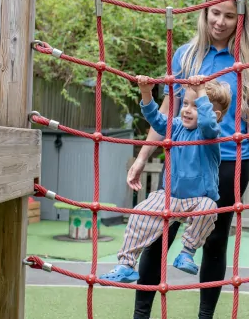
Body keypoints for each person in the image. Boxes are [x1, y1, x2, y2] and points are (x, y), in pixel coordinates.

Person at [111, 0, 249, 319]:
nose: (220, 21)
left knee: (214, 243)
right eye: (215, 13)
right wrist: (140, 157)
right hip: (184, 160)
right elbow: (165, 114)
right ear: (204, 12)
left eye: (229, 15)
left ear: (240, 20)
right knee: (156, 234)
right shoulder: (185, 56)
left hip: (230, 164)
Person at [99, 77, 232, 282]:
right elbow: (156, 119)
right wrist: (146, 93)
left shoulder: (211, 134)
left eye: (195, 106)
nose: (187, 109)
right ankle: (126, 264)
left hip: (197, 200)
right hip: (169, 196)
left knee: (210, 208)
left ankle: (186, 252)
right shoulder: (177, 127)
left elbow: (207, 122)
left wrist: (201, 92)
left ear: (214, 115)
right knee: (139, 214)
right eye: (185, 104)